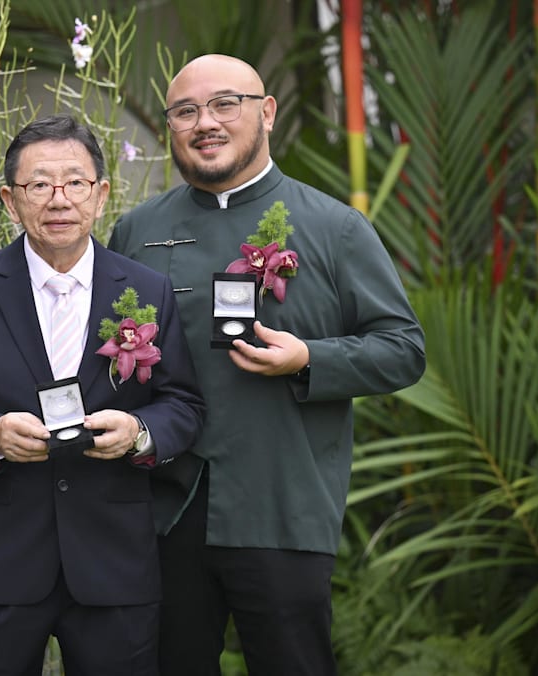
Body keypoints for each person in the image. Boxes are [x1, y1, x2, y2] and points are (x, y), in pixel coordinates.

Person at [107, 54, 426, 675]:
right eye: (186, 111)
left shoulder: (334, 228)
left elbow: (403, 348)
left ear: (267, 112)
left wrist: (309, 357)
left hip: (283, 503)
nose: (206, 122)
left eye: (225, 103)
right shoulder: (137, 231)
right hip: (166, 508)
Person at [0, 114, 206, 676]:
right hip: (1, 561)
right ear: (9, 200)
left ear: (101, 195)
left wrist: (140, 432)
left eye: (74, 182)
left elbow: (184, 406)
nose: (58, 199)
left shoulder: (146, 290)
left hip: (114, 561)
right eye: (38, 184)